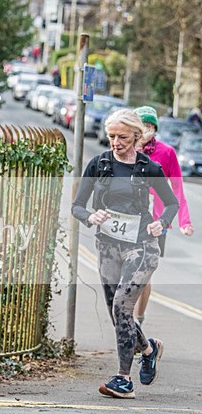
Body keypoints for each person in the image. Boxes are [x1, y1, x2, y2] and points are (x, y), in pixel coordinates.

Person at [71, 108, 178, 399]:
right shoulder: (99, 164)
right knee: (118, 313)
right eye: (111, 136)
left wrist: (162, 223)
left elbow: (171, 203)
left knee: (122, 305)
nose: (115, 142)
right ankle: (148, 348)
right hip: (107, 247)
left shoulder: (148, 168)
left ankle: (123, 379)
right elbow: (77, 205)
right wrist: (90, 217)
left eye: (121, 136)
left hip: (142, 245)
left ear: (136, 135)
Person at [132, 106, 194, 325]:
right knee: (129, 274)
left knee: (144, 275)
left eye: (150, 126)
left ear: (155, 128)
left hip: (157, 223)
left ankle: (138, 320)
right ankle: (125, 319)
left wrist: (184, 221)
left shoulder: (167, 153)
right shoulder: (126, 151)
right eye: (142, 125)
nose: (146, 130)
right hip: (130, 221)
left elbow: (177, 189)